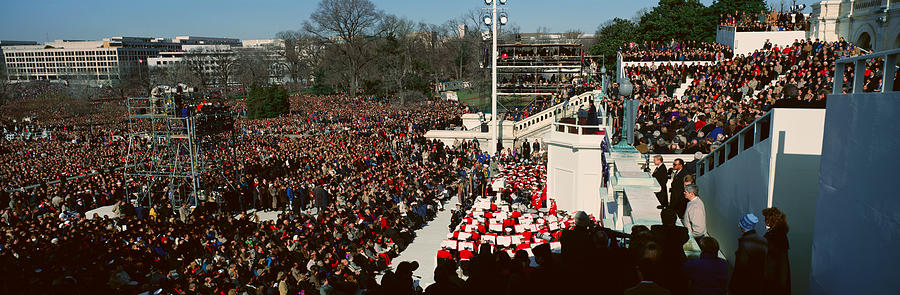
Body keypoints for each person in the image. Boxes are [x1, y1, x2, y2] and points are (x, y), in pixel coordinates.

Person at [651, 209, 688, 294]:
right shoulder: (683, 231)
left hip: (661, 263)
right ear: (675, 219)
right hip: (678, 262)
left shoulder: (656, 229)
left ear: (662, 219)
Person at [729, 213, 768, 295]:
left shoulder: (744, 243)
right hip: (758, 284)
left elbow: (740, 269)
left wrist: (732, 287)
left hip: (745, 285)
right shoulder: (763, 241)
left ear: (743, 226)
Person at [762, 207, 791, 295]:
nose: (764, 220)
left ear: (771, 220)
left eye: (766, 218)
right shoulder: (781, 234)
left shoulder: (773, 236)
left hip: (773, 277)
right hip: (780, 277)